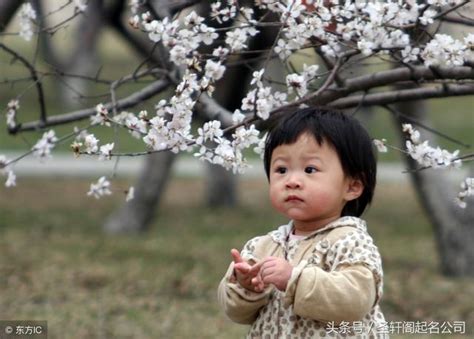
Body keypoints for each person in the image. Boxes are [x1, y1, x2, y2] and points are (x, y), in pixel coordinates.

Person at [217, 107, 388, 338]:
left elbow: (355, 301)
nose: (292, 181)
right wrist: (245, 287)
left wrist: (294, 279)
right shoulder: (262, 247)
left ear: (352, 186)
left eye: (310, 169)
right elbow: (237, 314)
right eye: (281, 169)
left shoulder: (350, 242)